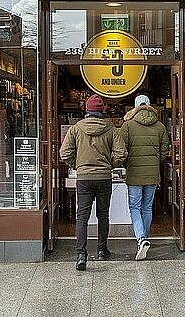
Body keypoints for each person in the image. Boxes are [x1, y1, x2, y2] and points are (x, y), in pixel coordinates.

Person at [60, 94, 127, 271]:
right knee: (103, 215)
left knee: (82, 216)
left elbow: (64, 153)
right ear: (102, 110)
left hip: (83, 179)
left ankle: (81, 254)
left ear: (86, 110)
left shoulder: (75, 129)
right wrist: (109, 165)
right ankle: (102, 250)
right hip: (104, 178)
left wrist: (78, 165)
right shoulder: (111, 129)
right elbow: (121, 154)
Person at [120, 94, 170, 260]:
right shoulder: (160, 127)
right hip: (152, 174)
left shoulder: (128, 126)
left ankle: (141, 239)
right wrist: (155, 161)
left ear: (135, 107)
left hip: (134, 173)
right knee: (147, 207)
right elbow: (165, 151)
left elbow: (122, 151)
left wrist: (127, 164)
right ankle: (144, 239)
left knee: (134, 207)